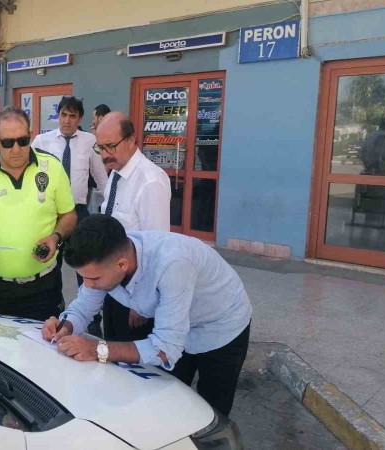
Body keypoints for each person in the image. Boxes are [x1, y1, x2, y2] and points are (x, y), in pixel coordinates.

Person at [43, 214, 252, 416]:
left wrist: (97, 349)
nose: (88, 285)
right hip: (176, 326)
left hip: (222, 327)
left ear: (122, 265)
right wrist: (65, 326)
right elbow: (83, 308)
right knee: (167, 402)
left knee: (211, 411)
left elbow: (165, 350)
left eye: (94, 279)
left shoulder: (172, 264)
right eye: (83, 278)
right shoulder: (108, 260)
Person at [0, 106, 77, 321]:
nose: (17, 149)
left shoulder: (52, 167)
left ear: (31, 136)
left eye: (23, 141)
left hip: (44, 288)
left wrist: (56, 237)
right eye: (8, 143)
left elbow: (69, 215)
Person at [30, 96, 108, 336]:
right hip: (49, 214)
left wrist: (107, 214)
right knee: (50, 264)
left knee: (85, 266)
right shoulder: (41, 141)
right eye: (63, 115)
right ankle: (51, 311)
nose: (67, 120)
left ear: (79, 118)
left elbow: (102, 180)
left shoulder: (90, 141)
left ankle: (91, 319)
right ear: (58, 116)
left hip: (78, 212)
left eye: (72, 116)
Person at [95, 112, 171, 342]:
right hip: (114, 286)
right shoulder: (116, 174)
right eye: (100, 148)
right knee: (110, 349)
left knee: (130, 357)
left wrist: (142, 305)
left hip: (135, 298)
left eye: (111, 146)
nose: (105, 155)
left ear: (131, 139)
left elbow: (158, 248)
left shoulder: (150, 181)